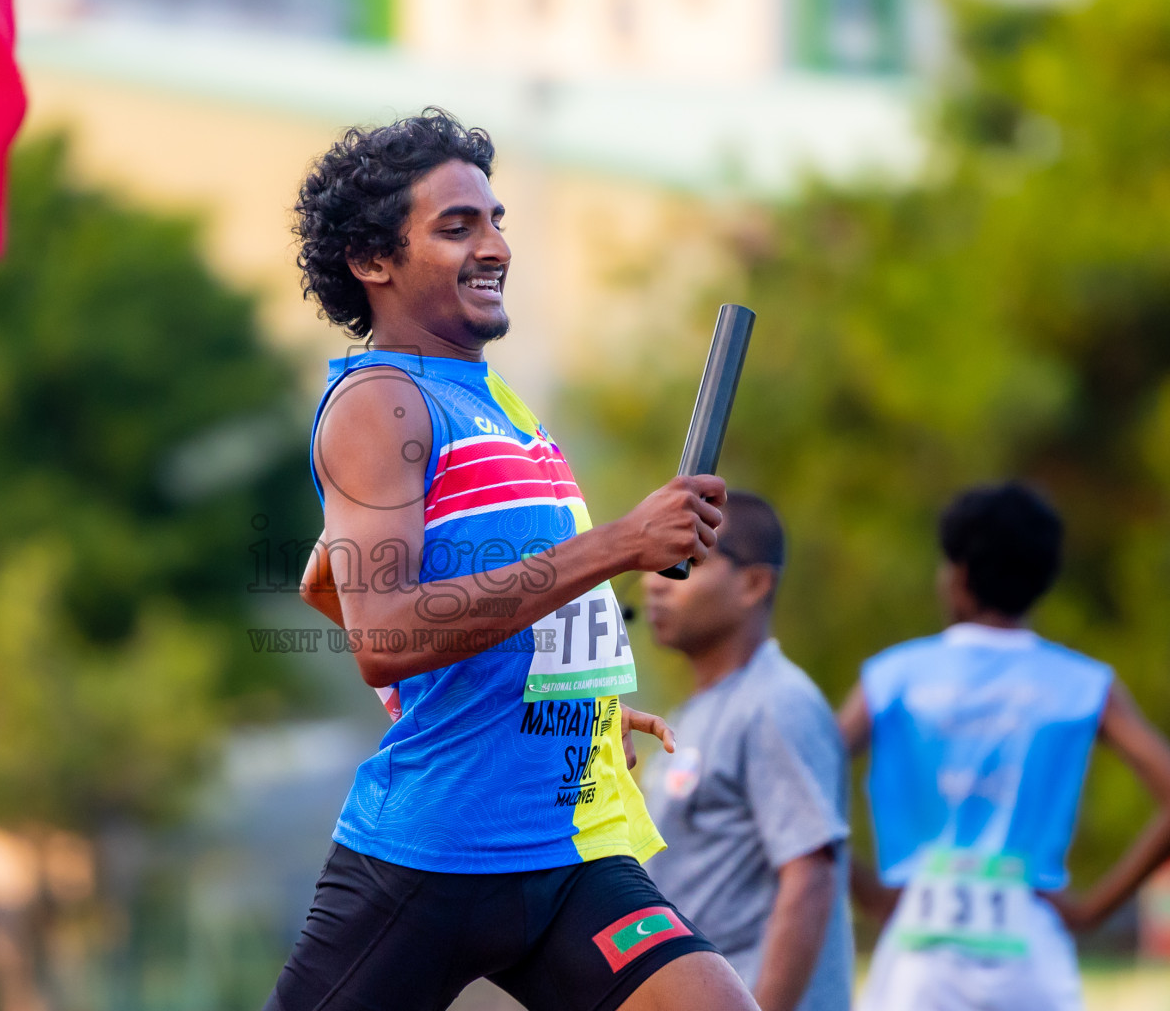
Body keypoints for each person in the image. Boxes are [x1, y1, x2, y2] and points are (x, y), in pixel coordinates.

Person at [263, 110, 758, 1011]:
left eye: (496, 220)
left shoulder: (496, 403)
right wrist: (617, 546)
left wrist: (562, 692)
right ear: (373, 262)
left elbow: (324, 581)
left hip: (567, 853)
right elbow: (382, 634)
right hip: (431, 855)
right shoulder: (383, 404)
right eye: (457, 227)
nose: (495, 245)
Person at [840, 482, 1170, 1011]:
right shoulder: (1084, 684)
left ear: (961, 576)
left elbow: (798, 779)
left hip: (918, 943)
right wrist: (1092, 912)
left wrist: (867, 891)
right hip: (1030, 942)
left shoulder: (893, 678)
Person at [640, 493, 853, 1011]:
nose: (653, 581)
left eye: (688, 561)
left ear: (754, 585)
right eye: (652, 562)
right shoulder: (696, 712)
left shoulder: (777, 702)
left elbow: (810, 875)